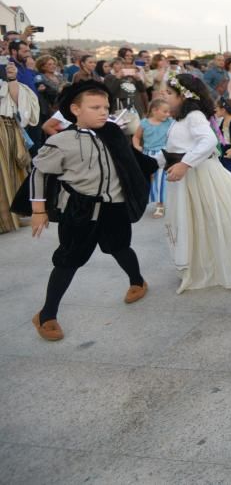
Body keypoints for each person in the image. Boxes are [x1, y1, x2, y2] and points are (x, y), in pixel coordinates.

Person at [17, 81, 158, 341]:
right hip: (80, 210)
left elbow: (129, 159)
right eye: (95, 107)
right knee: (68, 260)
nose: (103, 111)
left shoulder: (113, 133)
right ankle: (47, 314)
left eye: (105, 107)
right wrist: (38, 211)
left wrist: (156, 164)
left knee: (120, 247)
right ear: (75, 109)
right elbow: (39, 173)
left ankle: (137, 281)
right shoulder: (61, 140)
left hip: (113, 207)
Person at [160, 75, 231, 293]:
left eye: (168, 93)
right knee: (198, 220)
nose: (162, 96)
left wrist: (185, 164)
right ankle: (199, 263)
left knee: (216, 217)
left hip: (199, 175)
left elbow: (209, 141)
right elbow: (176, 147)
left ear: (183, 95)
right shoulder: (180, 118)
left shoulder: (194, 116)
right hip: (186, 176)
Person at [0, 60, 36, 233]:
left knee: (7, 174)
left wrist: (12, 78)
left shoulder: (5, 80)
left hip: (5, 131)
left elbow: (17, 103)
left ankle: (8, 218)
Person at [133, 98, 172, 219]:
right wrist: (137, 146)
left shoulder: (169, 122)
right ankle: (145, 200)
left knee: (160, 179)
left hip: (162, 154)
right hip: (147, 154)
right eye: (165, 111)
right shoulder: (144, 123)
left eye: (168, 111)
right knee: (149, 179)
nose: (168, 114)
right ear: (155, 110)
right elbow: (136, 137)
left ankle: (160, 205)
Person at [34, 55, 66, 124]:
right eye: (49, 64)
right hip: (49, 109)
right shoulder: (39, 78)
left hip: (63, 106)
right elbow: (46, 91)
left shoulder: (60, 76)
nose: (53, 66)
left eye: (54, 64)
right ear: (42, 66)